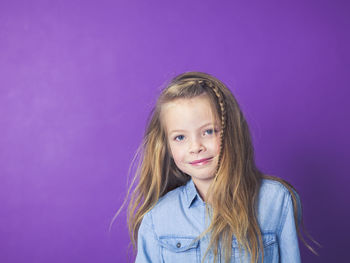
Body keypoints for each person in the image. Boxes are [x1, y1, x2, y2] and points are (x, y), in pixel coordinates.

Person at [112, 72, 315, 262]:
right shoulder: (157, 218)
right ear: (166, 145)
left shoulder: (276, 201)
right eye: (180, 137)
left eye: (208, 131)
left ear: (230, 131)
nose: (196, 147)